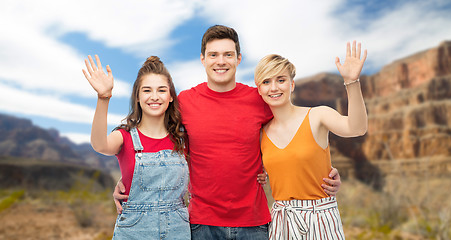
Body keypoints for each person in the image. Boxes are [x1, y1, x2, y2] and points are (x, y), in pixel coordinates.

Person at [113, 25, 342, 239]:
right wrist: (130, 179)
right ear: (202, 59)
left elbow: (294, 131)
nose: (220, 61)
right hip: (202, 223)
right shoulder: (185, 102)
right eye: (213, 55)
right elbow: (158, 137)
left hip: (254, 223)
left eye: (228, 55)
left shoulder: (259, 99)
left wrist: (323, 168)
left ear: (238, 59)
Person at [254, 41, 367, 239]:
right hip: (282, 220)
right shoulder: (261, 133)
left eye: (281, 80)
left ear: (292, 84)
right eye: (266, 82)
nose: (273, 88)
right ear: (259, 89)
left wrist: (352, 82)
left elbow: (357, 128)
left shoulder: (318, 116)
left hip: (321, 217)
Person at [83, 55, 190, 239]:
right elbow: (99, 144)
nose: (154, 97)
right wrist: (103, 98)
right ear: (138, 97)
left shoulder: (183, 138)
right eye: (147, 90)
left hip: (177, 230)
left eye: (162, 90)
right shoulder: (125, 137)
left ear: (171, 96)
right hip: (134, 232)